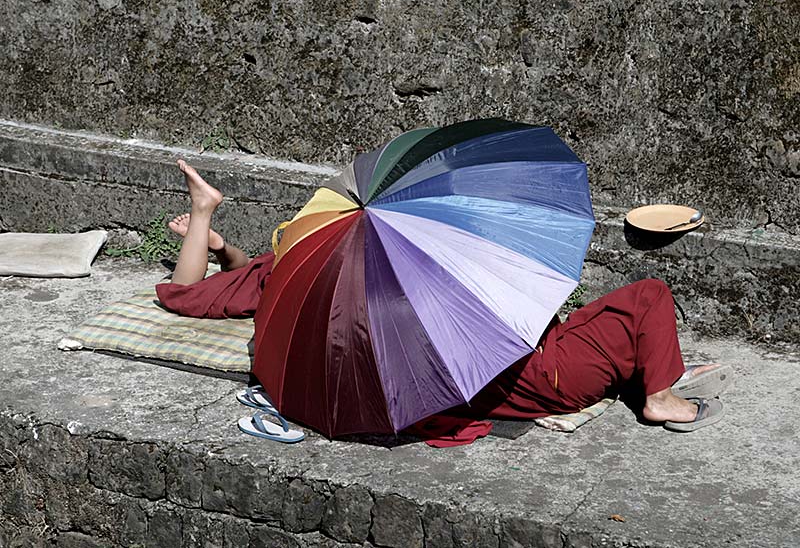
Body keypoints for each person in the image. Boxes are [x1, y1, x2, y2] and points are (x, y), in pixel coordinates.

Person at [157, 159, 731, 434]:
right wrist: (207, 220)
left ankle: (658, 373)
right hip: (539, 370)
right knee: (650, 295)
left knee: (614, 315)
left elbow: (222, 287)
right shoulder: (420, 263)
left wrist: (222, 247)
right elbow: (187, 296)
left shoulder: (320, 281)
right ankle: (658, 397)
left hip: (519, 365)